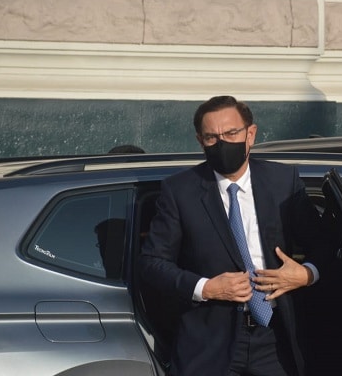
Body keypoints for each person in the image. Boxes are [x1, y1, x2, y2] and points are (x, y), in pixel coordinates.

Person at [139, 95, 329, 376]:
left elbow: (325, 243)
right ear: (200, 141)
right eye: (211, 137)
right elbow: (152, 263)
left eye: (230, 133)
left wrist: (306, 273)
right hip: (209, 341)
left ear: (250, 134)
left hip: (275, 338)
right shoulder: (180, 191)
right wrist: (206, 288)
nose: (222, 143)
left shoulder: (282, 182)